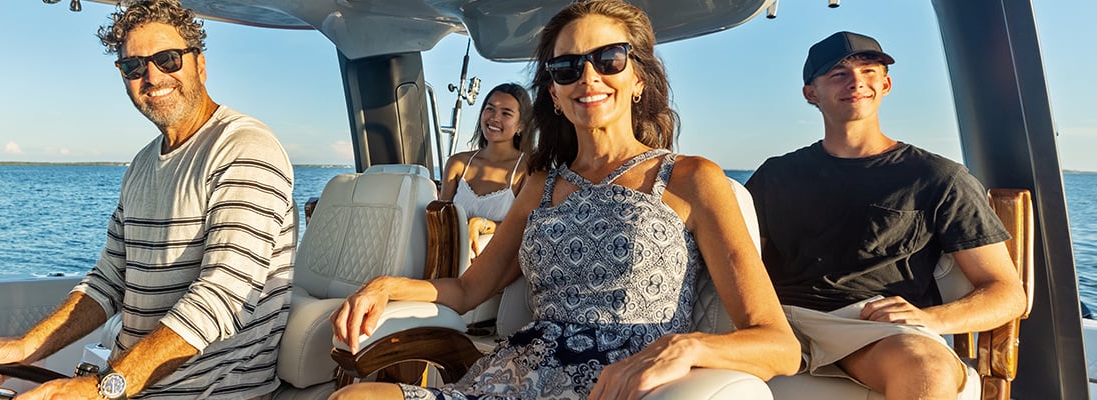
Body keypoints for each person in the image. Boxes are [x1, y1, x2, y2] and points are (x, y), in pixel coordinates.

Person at [329, 1, 799, 399]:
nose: (588, 76)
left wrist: (688, 348)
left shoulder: (691, 178)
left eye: (610, 58)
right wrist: (388, 285)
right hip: (510, 379)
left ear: (639, 78)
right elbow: (470, 290)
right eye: (567, 66)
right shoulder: (540, 183)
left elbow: (779, 345)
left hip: (613, 386)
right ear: (554, 92)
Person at [0, 1, 296, 399]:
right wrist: (26, 347)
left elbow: (222, 296)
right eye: (134, 67)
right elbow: (109, 281)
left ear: (200, 65)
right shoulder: (142, 165)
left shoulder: (244, 148)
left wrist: (101, 389)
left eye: (167, 59)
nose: (151, 76)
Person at [744, 31, 1025, 398]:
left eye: (869, 71)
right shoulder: (775, 174)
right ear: (811, 93)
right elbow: (738, 257)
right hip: (777, 322)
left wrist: (930, 319)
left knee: (928, 369)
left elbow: (1007, 293)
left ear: (886, 84)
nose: (857, 81)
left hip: (869, 329)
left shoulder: (938, 177)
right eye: (838, 74)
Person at [438, 83, 534, 255]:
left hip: (500, 269)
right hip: (452, 259)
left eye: (506, 113)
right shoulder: (457, 163)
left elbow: (525, 228)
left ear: (521, 125)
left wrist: (481, 224)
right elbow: (441, 220)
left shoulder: (528, 169)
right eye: (490, 109)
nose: (494, 117)